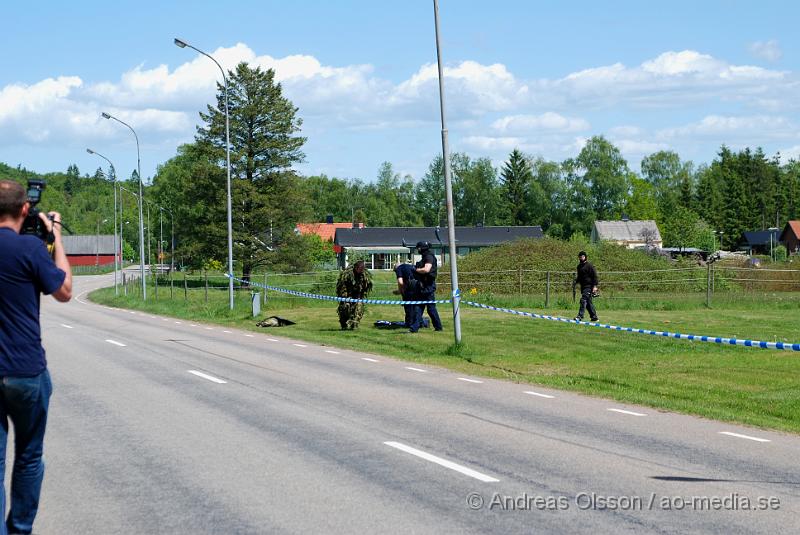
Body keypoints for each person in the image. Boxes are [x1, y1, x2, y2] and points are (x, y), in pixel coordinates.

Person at [0, 180, 71, 535]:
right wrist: (55, 236)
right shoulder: (30, 248)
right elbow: (64, 291)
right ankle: (20, 529)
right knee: (28, 458)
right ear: (25, 209)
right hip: (25, 370)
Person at [409, 241, 443, 332]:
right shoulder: (425, 257)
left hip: (428, 285)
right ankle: (414, 328)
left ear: (422, 248)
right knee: (418, 307)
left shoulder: (429, 257)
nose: (418, 249)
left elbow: (426, 269)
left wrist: (416, 270)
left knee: (431, 309)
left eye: (419, 248)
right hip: (422, 285)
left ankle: (438, 327)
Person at [336, 260, 373, 330]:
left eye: (362, 269)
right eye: (359, 269)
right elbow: (342, 287)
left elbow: (365, 287)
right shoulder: (347, 275)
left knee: (359, 309)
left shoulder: (364, 275)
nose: (361, 271)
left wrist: (360, 296)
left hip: (357, 295)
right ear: (355, 268)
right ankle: (344, 325)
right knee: (345, 308)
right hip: (346, 295)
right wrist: (346, 297)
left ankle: (354, 325)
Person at [574, 250, 599, 322]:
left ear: (585, 257)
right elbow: (579, 276)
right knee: (588, 302)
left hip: (589, 286)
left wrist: (595, 286)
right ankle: (594, 317)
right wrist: (576, 282)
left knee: (583, 300)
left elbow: (594, 276)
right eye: (580, 257)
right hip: (583, 286)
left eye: (582, 256)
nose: (581, 258)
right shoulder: (579, 266)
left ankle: (580, 316)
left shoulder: (589, 266)